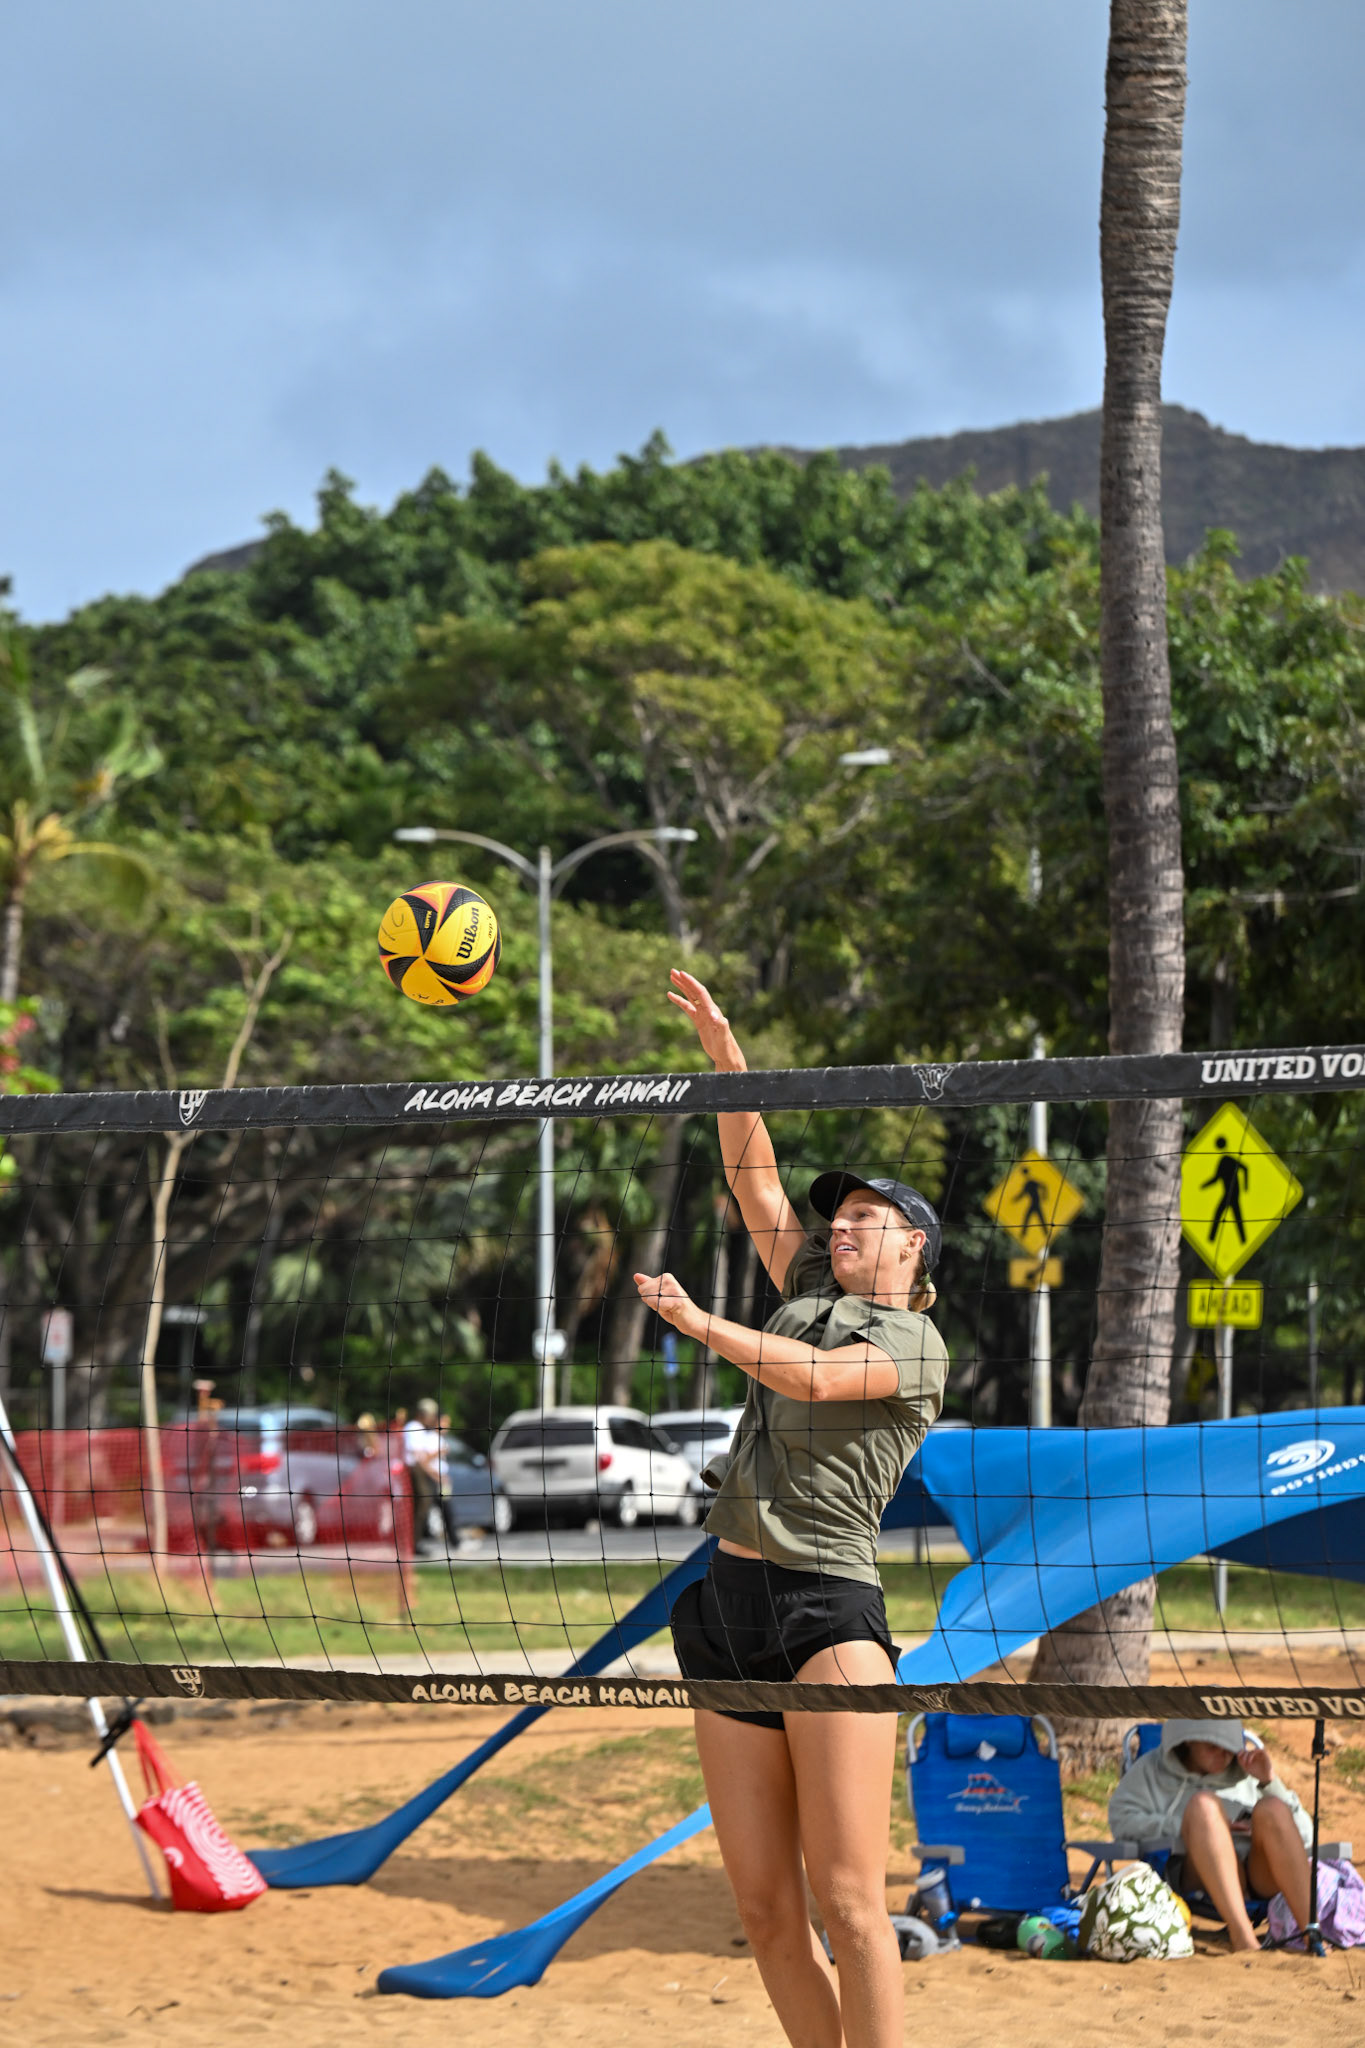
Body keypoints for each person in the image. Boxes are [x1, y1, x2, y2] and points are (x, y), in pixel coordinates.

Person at [633, 970, 948, 2048]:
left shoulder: (913, 1343)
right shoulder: (807, 1296)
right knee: (768, 1914)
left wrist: (700, 1321)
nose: (849, 1220)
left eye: (875, 1215)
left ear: (918, 1257)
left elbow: (814, 1383)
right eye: (845, 1213)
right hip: (726, 1604)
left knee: (853, 1906)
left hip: (827, 1617)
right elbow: (754, 1176)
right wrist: (730, 1063)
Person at [1108, 1717, 1313, 1951]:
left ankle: (1312, 1933)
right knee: (1203, 1807)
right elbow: (1121, 1821)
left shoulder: (1248, 1772)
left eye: (1229, 1748)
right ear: (1188, 1742)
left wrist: (1269, 1782)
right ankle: (1243, 1936)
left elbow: (1307, 1836)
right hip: (1196, 1873)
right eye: (1213, 1747)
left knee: (1273, 1808)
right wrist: (1186, 1825)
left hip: (1257, 1874)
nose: (1224, 1755)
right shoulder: (1151, 1770)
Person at [402, 1397, 445, 1554]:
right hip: (414, 1469)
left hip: (417, 1469)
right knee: (421, 1504)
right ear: (422, 1414)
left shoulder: (417, 1428)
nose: (433, 1418)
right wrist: (433, 1472)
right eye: (431, 1414)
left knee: (422, 1505)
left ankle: (415, 1542)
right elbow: (418, 1456)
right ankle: (413, 1544)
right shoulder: (414, 1427)